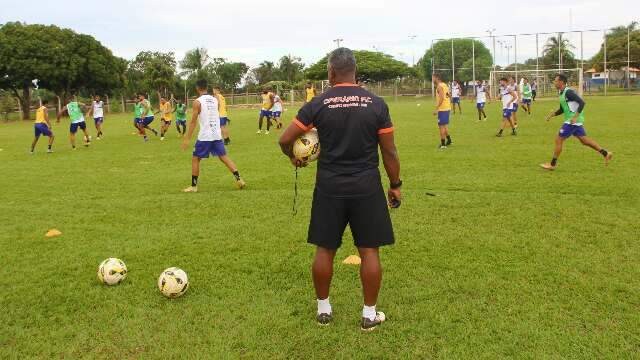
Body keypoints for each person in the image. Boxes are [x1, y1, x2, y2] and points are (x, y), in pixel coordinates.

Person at [279, 48, 401, 331]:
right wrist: (395, 185)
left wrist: (294, 157)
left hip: (329, 186)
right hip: (367, 186)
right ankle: (369, 315)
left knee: (325, 249)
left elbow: (285, 139)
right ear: (355, 71)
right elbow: (390, 152)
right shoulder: (376, 103)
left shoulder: (319, 103)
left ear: (331, 72)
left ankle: (324, 310)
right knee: (369, 251)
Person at [181, 79, 246, 192]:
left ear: (197, 88)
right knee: (224, 157)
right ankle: (239, 179)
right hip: (216, 135)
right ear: (207, 87)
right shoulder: (215, 100)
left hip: (205, 136)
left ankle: (193, 186)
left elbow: (193, 121)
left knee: (195, 158)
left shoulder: (197, 102)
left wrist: (187, 138)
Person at [540, 74, 613, 170]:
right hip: (574, 121)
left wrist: (575, 117)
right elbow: (562, 109)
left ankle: (552, 165)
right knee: (584, 141)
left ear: (561, 82)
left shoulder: (569, 92)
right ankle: (606, 153)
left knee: (558, 140)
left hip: (572, 122)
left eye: (556, 80)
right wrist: (551, 115)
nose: (554, 82)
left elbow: (582, 102)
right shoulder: (561, 93)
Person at [432, 74, 452, 149]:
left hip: (443, 109)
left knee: (441, 127)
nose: (432, 80)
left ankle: (443, 145)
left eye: (433, 78)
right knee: (444, 126)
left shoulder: (439, 86)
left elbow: (441, 98)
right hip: (447, 108)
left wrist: (436, 109)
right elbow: (449, 95)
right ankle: (449, 140)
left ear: (437, 78)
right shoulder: (445, 85)